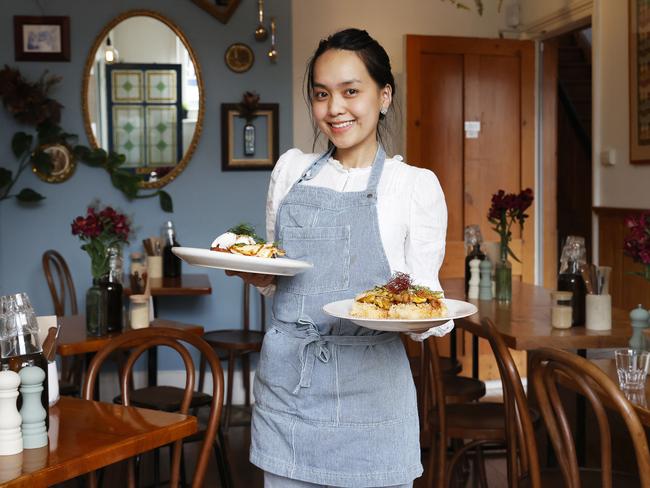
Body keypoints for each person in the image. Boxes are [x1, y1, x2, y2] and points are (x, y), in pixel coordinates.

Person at [228, 28, 451, 488]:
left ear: (384, 95)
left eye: (351, 91)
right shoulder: (290, 170)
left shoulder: (414, 186)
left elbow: (431, 304)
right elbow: (278, 275)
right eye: (321, 94)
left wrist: (417, 318)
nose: (335, 108)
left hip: (373, 394)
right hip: (290, 391)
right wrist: (255, 274)